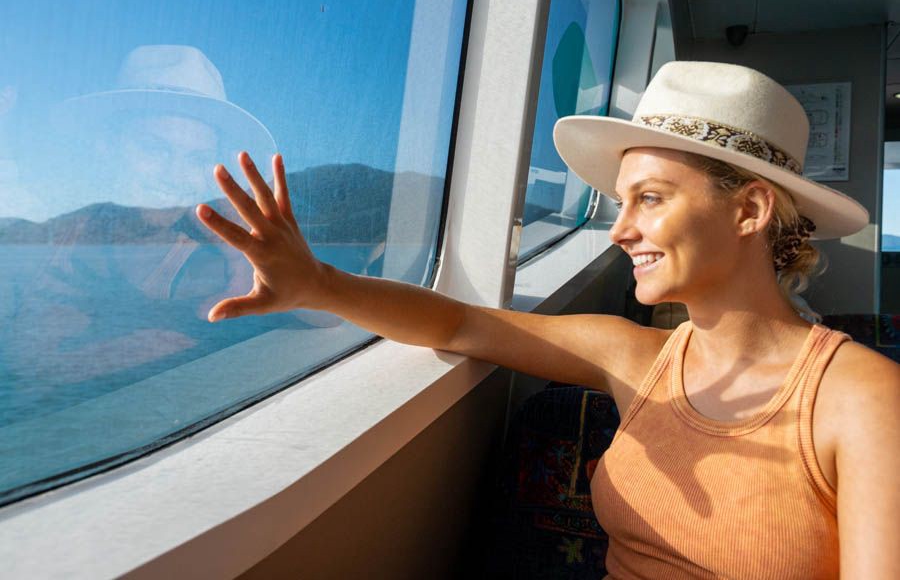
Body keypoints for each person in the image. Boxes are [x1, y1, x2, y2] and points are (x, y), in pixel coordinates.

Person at [195, 61, 899, 579]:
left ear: (748, 210)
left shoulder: (862, 399)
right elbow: (459, 326)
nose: (620, 230)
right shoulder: (637, 358)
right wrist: (318, 283)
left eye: (649, 199)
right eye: (621, 203)